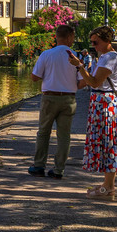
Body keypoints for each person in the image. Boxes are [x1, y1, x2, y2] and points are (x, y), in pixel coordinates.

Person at [70, 26, 117, 199]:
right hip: (100, 103)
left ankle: (109, 188)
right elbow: (90, 81)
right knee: (105, 143)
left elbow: (94, 82)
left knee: (108, 143)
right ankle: (107, 185)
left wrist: (79, 66)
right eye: (92, 42)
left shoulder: (110, 58)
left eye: (96, 42)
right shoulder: (104, 57)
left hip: (105, 104)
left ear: (106, 40)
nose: (93, 45)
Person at [28, 23, 80, 178]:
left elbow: (34, 77)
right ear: (70, 37)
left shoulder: (46, 54)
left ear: (56, 37)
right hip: (69, 99)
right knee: (64, 135)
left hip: (50, 97)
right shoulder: (76, 56)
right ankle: (58, 170)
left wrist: (50, 75)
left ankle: (39, 166)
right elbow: (83, 81)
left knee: (44, 132)